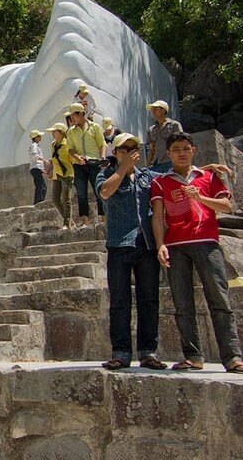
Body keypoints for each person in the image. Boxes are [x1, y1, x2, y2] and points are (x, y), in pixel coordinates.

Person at [151, 132, 243, 373]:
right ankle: (193, 357)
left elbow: (226, 206)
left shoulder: (208, 177)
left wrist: (200, 197)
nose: (181, 153)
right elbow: (159, 217)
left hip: (206, 241)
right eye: (175, 149)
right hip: (175, 245)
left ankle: (233, 356)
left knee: (220, 300)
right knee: (182, 304)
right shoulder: (161, 182)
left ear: (193, 150)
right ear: (168, 154)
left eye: (185, 148)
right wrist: (160, 244)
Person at [96, 133, 165, 370]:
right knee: (119, 301)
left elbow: (172, 177)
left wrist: (203, 169)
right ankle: (121, 352)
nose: (129, 151)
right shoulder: (105, 174)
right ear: (115, 152)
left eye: (133, 147)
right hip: (119, 244)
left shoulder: (147, 176)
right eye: (124, 148)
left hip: (145, 244)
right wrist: (123, 168)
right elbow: (105, 192)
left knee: (149, 299)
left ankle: (148, 351)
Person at [66, 102, 106, 225]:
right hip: (79, 165)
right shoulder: (71, 132)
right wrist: (77, 157)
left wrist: (103, 157)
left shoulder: (94, 127)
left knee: (98, 191)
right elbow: (70, 149)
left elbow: (102, 143)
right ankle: (85, 220)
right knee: (82, 194)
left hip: (93, 163)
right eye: (71, 116)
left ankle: (103, 218)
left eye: (74, 116)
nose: (72, 119)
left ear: (81, 114)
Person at [46, 123, 75, 230]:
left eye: (55, 131)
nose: (53, 133)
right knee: (55, 199)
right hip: (57, 174)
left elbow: (72, 159)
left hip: (67, 174)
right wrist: (50, 171)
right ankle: (70, 222)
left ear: (61, 132)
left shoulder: (68, 144)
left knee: (66, 199)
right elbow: (54, 160)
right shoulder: (53, 145)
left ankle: (67, 224)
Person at [146, 100, 182, 173]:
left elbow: (181, 144)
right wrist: (148, 166)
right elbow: (151, 149)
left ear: (163, 110)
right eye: (152, 110)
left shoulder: (174, 125)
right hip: (156, 163)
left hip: (171, 161)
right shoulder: (151, 129)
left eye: (155, 109)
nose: (153, 112)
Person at [28, 130, 48, 204]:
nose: (40, 137)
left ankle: (38, 202)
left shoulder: (36, 145)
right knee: (41, 186)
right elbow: (35, 156)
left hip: (37, 168)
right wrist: (45, 161)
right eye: (39, 136)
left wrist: (43, 169)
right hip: (35, 168)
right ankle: (38, 202)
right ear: (36, 137)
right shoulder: (34, 146)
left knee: (41, 186)